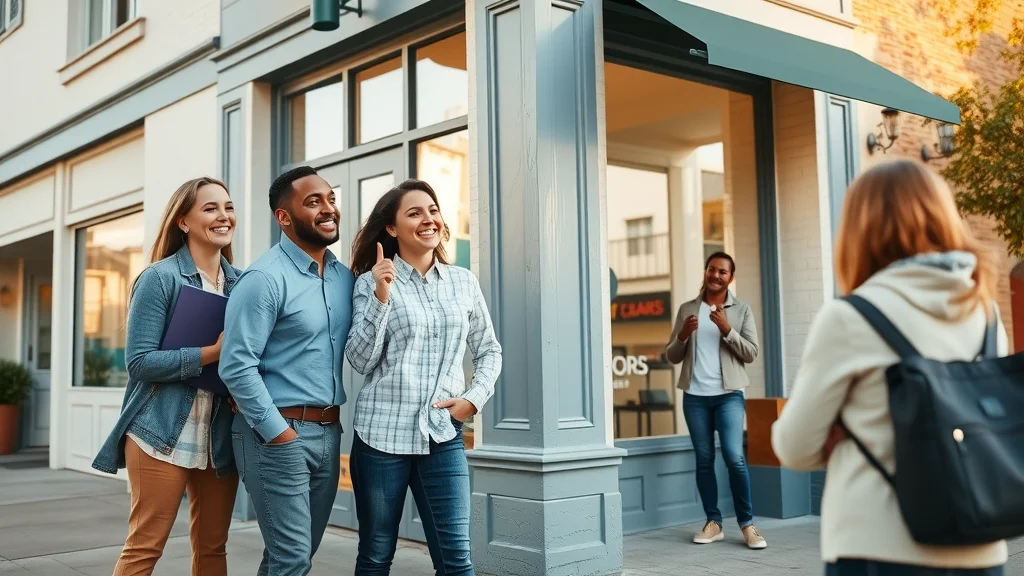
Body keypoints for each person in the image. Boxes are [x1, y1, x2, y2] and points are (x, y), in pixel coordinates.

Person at [771, 160, 1008, 576]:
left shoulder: (850, 317)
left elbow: (793, 447)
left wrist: (841, 428)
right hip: (981, 545)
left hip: (878, 547)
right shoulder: (985, 312)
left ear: (860, 229)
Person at [345, 179, 502, 576]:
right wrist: (382, 295)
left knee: (457, 560)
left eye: (432, 210)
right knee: (376, 555)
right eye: (414, 213)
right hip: (381, 436)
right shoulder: (370, 283)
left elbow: (489, 350)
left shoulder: (463, 281)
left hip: (442, 434)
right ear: (392, 228)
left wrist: (473, 399)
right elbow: (360, 361)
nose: (428, 219)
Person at [92, 177, 240, 575]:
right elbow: (139, 362)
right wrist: (213, 353)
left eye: (227, 206)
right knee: (145, 547)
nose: (224, 216)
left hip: (218, 437)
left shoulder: (243, 285)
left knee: (213, 548)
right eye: (210, 208)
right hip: (159, 433)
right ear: (184, 222)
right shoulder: (160, 278)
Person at [219, 166, 354, 576]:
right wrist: (279, 433)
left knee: (292, 556)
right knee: (292, 559)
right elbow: (236, 364)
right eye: (313, 202)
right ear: (284, 217)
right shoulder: (264, 278)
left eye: (331, 199)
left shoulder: (343, 277)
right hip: (275, 434)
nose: (328, 208)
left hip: (329, 434)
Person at [665, 251, 766, 550]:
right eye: (712, 269)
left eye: (722, 271)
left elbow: (751, 353)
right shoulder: (687, 309)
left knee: (734, 457)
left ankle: (747, 524)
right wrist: (682, 335)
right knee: (704, 460)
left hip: (729, 397)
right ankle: (714, 522)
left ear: (730, 277)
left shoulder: (741, 310)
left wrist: (727, 329)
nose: (716, 275)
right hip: (695, 397)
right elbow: (671, 356)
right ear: (706, 272)